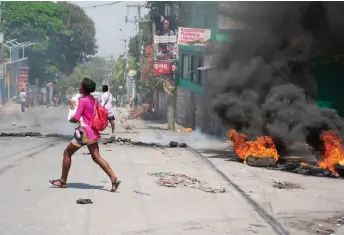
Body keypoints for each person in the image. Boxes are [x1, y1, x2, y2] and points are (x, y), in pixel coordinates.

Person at [49, 78, 121, 192]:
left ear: (83, 88)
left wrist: (71, 119)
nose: (79, 87)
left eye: (80, 85)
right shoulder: (92, 99)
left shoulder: (83, 101)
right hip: (92, 132)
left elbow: (76, 117)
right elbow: (78, 101)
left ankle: (63, 180)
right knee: (97, 157)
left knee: (67, 153)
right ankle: (114, 178)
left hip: (83, 133)